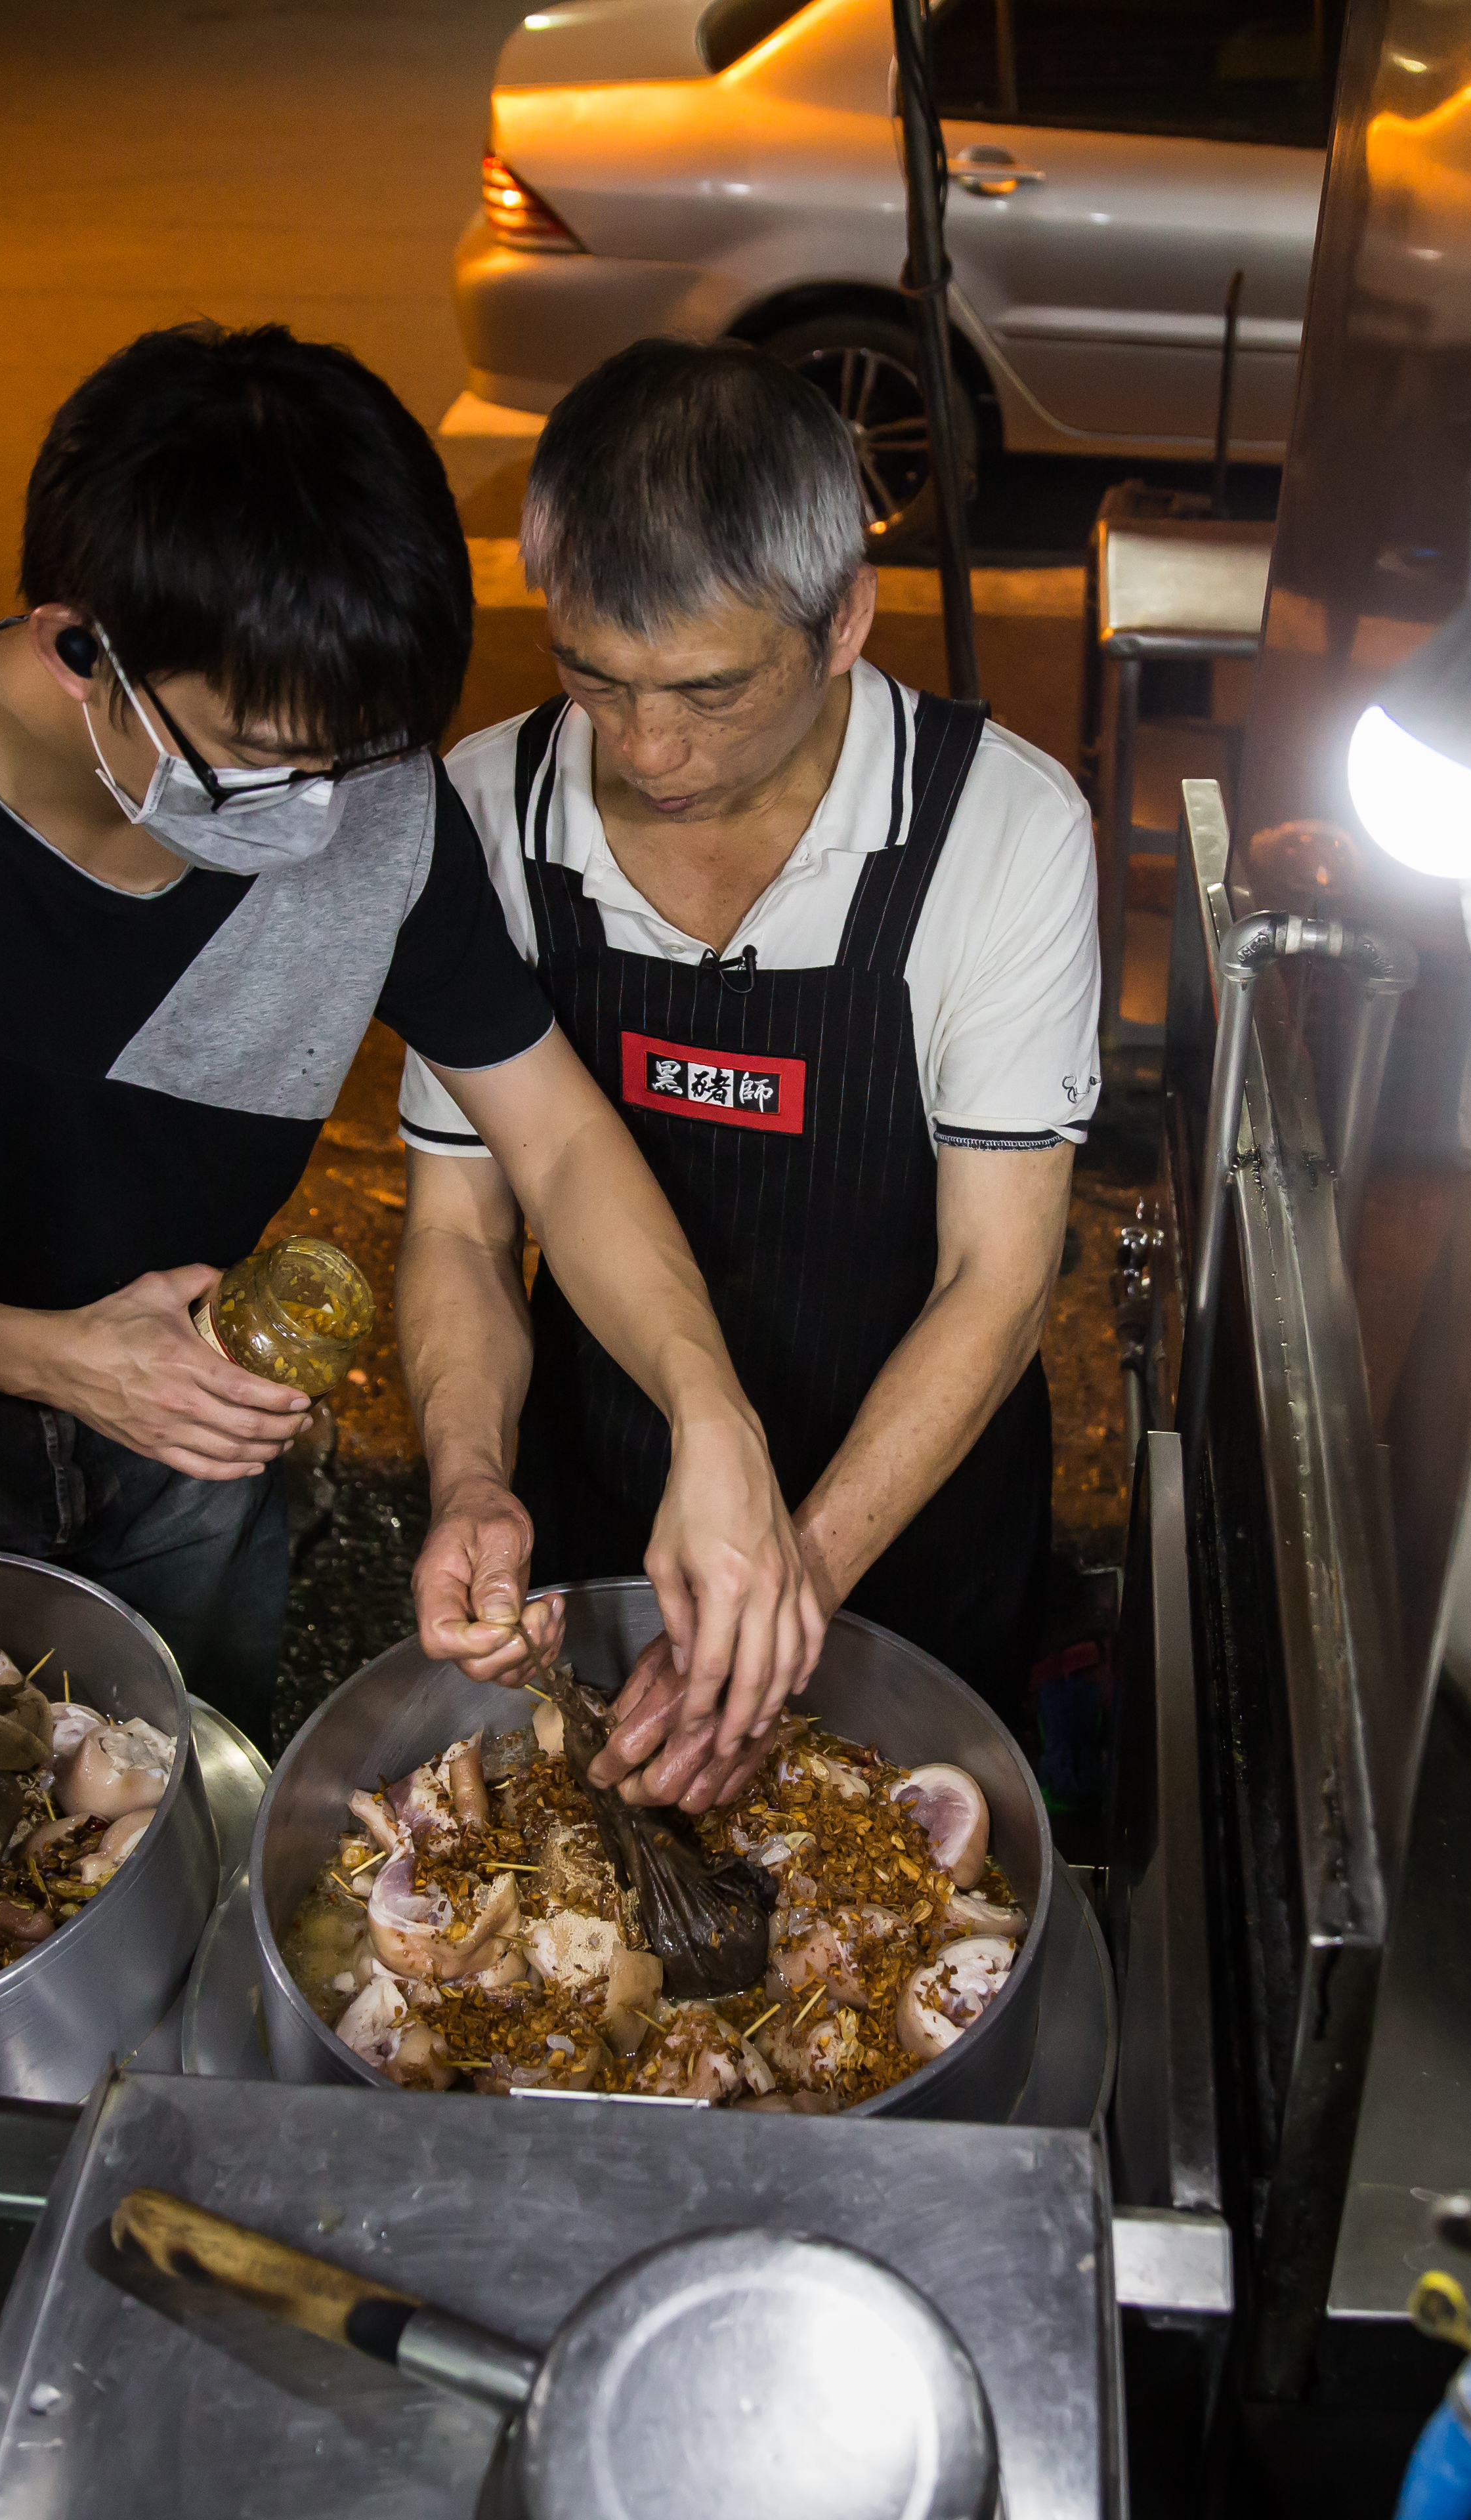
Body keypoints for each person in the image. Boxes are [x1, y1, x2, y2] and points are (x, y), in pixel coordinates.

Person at [0, 322, 824, 1742]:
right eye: (257, 762)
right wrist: (54, 1357)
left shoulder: (372, 793)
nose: (322, 810)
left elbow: (556, 1133)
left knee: (196, 1757)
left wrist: (708, 1415)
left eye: (355, 754)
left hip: (209, 1394)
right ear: (75, 649)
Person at [400, 337, 1099, 1811]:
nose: (652, 750)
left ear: (845, 617)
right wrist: (471, 1474)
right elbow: (463, 1225)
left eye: (710, 691)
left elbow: (1000, 1277)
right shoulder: (483, 810)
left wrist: (799, 1576)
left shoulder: (1003, 833)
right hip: (603, 1491)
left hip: (911, 1523)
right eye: (595, 678)